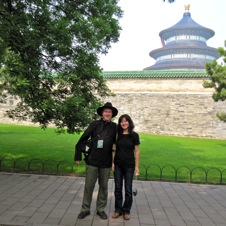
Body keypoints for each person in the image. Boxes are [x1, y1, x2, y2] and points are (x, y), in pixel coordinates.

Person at [74, 102, 118, 220]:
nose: (107, 113)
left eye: (109, 112)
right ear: (102, 113)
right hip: (92, 160)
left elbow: (119, 143)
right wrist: (78, 156)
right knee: (89, 186)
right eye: (105, 111)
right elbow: (83, 138)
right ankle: (85, 209)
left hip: (106, 162)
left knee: (103, 187)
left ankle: (100, 209)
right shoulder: (95, 124)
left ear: (112, 114)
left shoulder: (115, 127)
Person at [112, 114, 140, 220]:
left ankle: (126, 211)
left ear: (129, 122)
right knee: (118, 189)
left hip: (129, 166)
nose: (124, 123)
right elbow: (113, 150)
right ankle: (118, 209)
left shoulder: (134, 135)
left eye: (125, 121)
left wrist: (137, 166)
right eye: (121, 121)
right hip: (118, 165)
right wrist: (112, 163)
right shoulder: (117, 135)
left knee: (128, 189)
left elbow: (137, 151)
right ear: (120, 123)